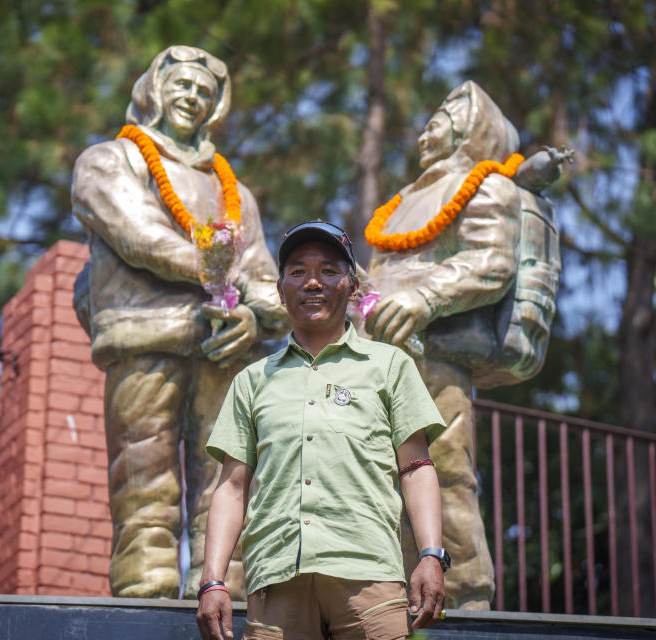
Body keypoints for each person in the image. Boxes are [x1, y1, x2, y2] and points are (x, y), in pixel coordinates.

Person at [71, 46, 288, 599]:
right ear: (154, 90)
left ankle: (226, 587)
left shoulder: (234, 192)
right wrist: (218, 273)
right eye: (183, 86)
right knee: (143, 470)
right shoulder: (112, 160)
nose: (193, 98)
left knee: (229, 477)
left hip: (225, 348)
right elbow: (139, 235)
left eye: (205, 93)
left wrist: (257, 317)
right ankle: (144, 588)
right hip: (146, 337)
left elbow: (263, 271)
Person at [196, 221, 451, 640]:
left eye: (329, 270)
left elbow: (417, 466)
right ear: (280, 290)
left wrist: (430, 555)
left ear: (352, 288)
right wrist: (213, 581)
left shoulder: (389, 366)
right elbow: (231, 488)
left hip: (369, 577)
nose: (312, 282)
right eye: (297, 271)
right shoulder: (251, 381)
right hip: (276, 585)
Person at [364, 81, 528, 609]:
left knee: (445, 473)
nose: (429, 124)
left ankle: (464, 598)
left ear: (474, 124)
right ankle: (390, 596)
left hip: (434, 357)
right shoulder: (401, 204)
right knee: (377, 487)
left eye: (447, 114)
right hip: (377, 364)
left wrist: (424, 298)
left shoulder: (486, 184)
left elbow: (492, 262)